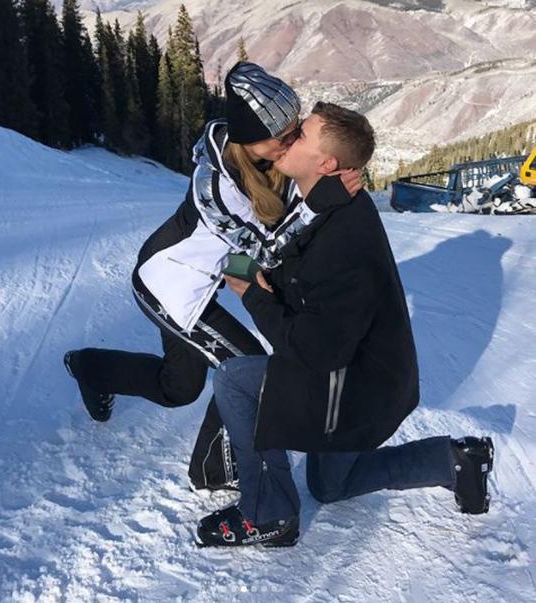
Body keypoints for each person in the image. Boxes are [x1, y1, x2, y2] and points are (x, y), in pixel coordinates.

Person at [196, 102, 495, 548]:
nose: (288, 135)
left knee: (234, 380)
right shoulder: (332, 203)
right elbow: (303, 263)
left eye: (301, 134)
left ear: (327, 164)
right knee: (330, 486)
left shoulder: (344, 236)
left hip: (353, 388)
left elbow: (313, 351)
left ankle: (269, 514)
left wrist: (254, 297)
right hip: (366, 378)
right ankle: (453, 461)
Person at [63, 62, 362, 491]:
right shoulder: (217, 188)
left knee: (178, 390)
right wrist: (318, 205)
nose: (293, 140)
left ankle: (90, 367)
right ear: (252, 137)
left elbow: (258, 245)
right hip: (169, 286)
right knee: (246, 366)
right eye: (284, 136)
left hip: (195, 277)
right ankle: (212, 470)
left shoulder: (261, 158)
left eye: (296, 129)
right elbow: (264, 249)